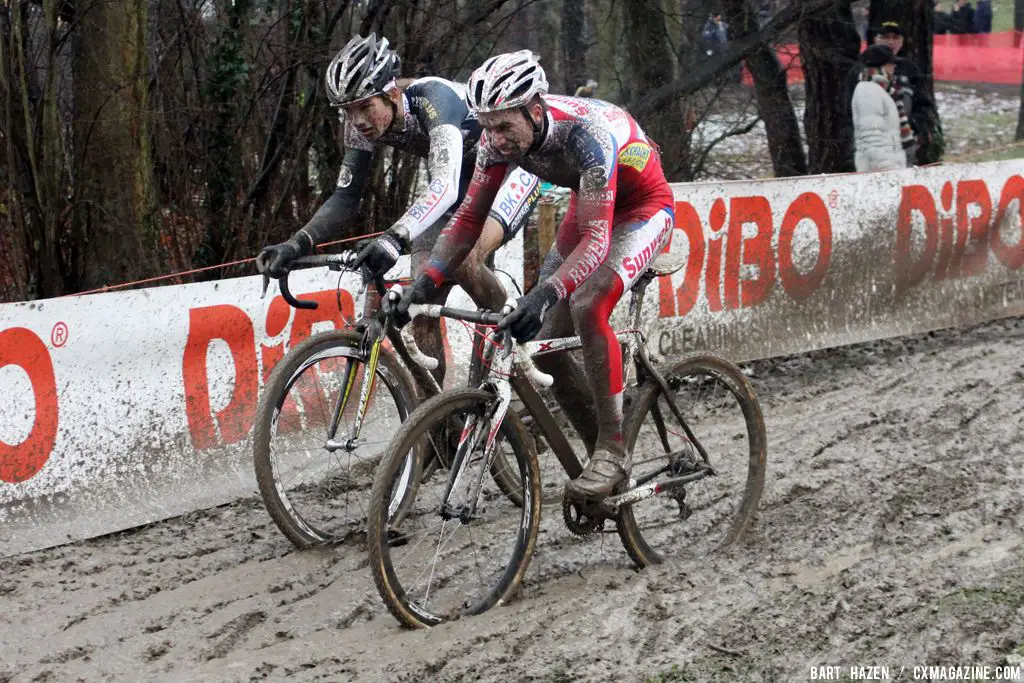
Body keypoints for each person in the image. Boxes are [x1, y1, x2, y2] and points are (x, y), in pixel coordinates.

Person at [395, 51, 676, 502]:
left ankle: (613, 449)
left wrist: (545, 293)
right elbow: (468, 220)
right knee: (544, 347)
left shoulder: (587, 137)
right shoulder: (495, 141)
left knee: (587, 302)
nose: (495, 138)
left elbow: (597, 242)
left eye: (505, 126)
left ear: (536, 110)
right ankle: (599, 466)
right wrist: (424, 283)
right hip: (590, 204)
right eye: (487, 126)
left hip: (641, 208)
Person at [258, 34, 540, 384]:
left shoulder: (434, 99)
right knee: (418, 303)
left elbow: (444, 186)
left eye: (363, 107)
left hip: (514, 173)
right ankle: (439, 423)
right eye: (347, 111)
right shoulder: (362, 125)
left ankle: (511, 339)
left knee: (465, 259)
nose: (356, 120)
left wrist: (393, 239)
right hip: (463, 187)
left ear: (391, 94)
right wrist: (296, 243)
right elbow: (345, 198)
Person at [844, 21, 943, 165]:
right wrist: (883, 161)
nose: (891, 41)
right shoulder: (863, 80)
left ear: (902, 41)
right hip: (881, 153)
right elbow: (868, 128)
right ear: (876, 39)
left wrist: (916, 127)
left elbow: (923, 102)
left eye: (895, 37)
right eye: (886, 37)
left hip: (904, 143)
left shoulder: (910, 68)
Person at [852, 45, 907, 172]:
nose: (894, 67)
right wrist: (886, 167)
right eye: (891, 64)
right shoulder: (868, 90)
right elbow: (871, 136)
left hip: (889, 165)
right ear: (881, 66)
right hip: (879, 169)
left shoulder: (882, 90)